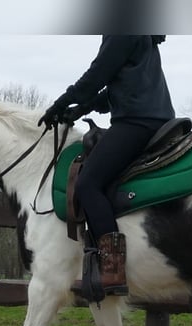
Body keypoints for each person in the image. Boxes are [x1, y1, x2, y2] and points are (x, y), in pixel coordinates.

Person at [38, 35, 175, 297]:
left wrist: (61, 102)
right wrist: (81, 109)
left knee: (88, 184)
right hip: (154, 117)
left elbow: (98, 73)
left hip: (137, 122)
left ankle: (112, 268)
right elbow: (118, 86)